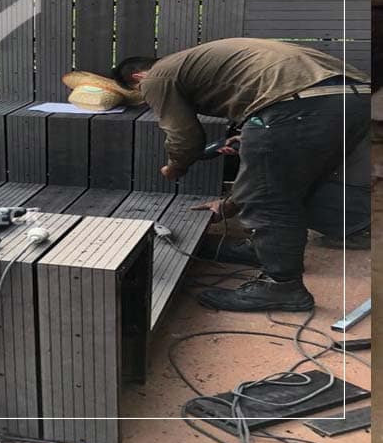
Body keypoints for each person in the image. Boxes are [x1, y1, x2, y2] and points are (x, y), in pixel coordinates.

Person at [113, 38, 371, 313]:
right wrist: (230, 201)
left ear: (138, 77)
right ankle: (349, 230)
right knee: (300, 178)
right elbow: (269, 171)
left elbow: (185, 138)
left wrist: (175, 167)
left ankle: (282, 287)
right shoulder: (201, 60)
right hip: (353, 98)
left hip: (296, 105)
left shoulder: (156, 76)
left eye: (140, 93)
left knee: (269, 198)